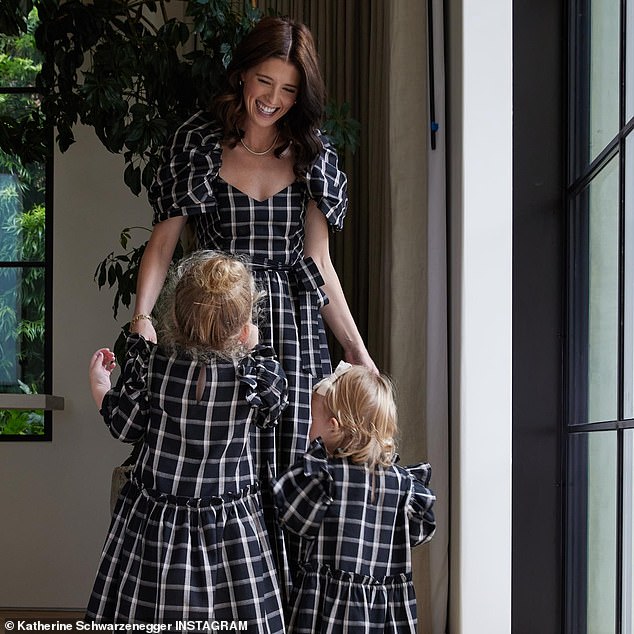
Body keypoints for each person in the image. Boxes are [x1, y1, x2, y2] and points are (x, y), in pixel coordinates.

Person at [130, 15, 376, 589]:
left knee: (292, 476)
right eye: (265, 81)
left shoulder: (313, 151)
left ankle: (285, 614)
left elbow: (319, 265)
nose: (273, 99)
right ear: (242, 74)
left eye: (289, 89)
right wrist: (142, 318)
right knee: (221, 473)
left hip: (293, 338)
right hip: (217, 332)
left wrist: (359, 356)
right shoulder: (197, 142)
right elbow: (163, 245)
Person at [86, 250, 287, 630]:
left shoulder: (151, 366)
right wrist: (254, 345)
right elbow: (274, 411)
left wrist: (100, 385)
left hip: (156, 524)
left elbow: (124, 426)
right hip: (230, 528)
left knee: (148, 607)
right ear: (244, 327)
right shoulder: (256, 376)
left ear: (174, 318)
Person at [271, 362, 436, 634]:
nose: (309, 429)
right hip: (383, 614)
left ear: (334, 426)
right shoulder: (405, 484)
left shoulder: (324, 477)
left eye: (314, 420)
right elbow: (420, 534)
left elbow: (291, 518)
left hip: (327, 610)